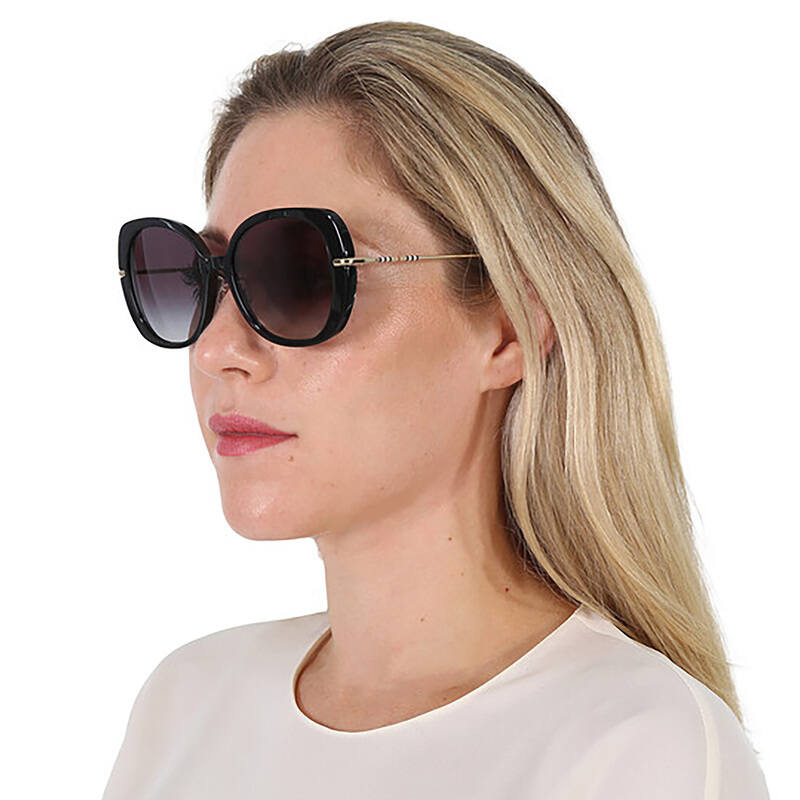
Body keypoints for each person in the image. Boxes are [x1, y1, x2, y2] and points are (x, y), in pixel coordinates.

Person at [102, 20, 770, 800]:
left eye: (298, 274)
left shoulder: (633, 748)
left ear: (510, 329)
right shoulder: (187, 704)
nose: (218, 349)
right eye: (201, 276)